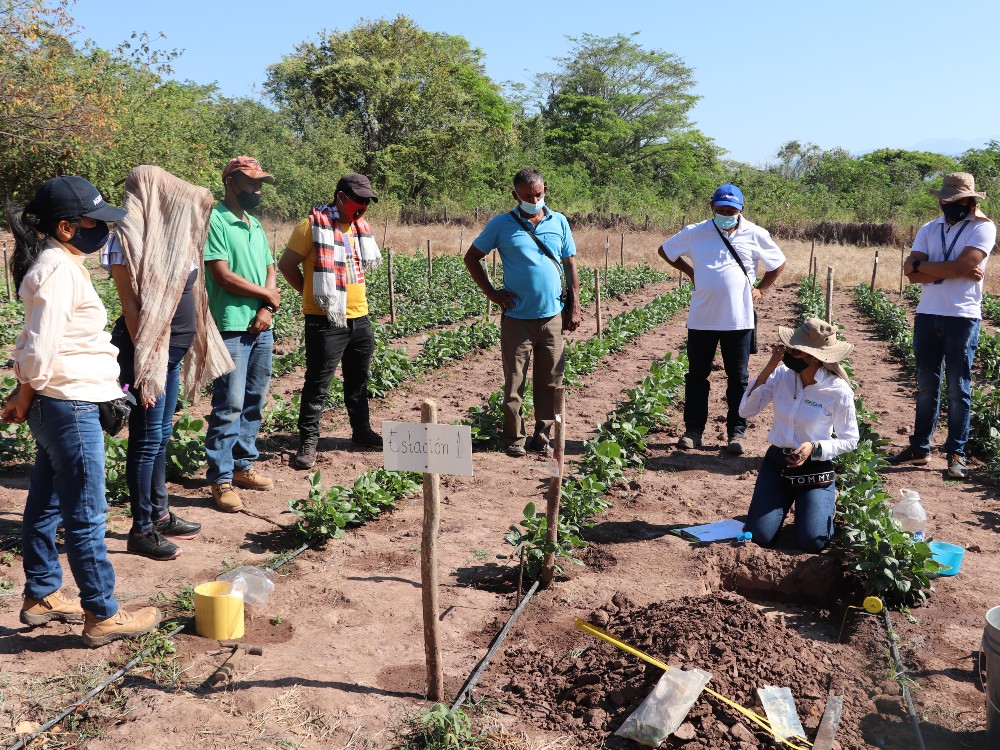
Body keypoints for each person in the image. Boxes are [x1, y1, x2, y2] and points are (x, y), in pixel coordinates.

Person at [3, 175, 161, 646]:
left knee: (47, 500)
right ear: (68, 228)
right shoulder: (57, 270)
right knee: (87, 513)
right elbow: (38, 349)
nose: (104, 230)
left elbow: (38, 350)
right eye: (95, 221)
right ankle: (102, 613)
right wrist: (25, 392)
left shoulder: (61, 263)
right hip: (70, 406)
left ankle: (43, 595)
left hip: (63, 403)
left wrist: (25, 394)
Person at [105, 165, 234, 559]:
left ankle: (159, 515)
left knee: (161, 436)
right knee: (145, 442)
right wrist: (146, 367)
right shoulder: (125, 241)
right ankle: (141, 528)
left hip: (174, 352)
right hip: (150, 354)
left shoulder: (174, 237)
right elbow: (132, 309)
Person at [658, 184, 786, 455]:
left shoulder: (756, 234)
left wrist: (761, 288)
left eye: (731, 211)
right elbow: (666, 251)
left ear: (741, 210)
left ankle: (736, 433)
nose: (726, 214)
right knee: (696, 376)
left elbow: (778, 263)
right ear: (711, 208)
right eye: (721, 210)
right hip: (702, 319)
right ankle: (693, 431)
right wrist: (691, 273)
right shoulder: (695, 232)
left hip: (738, 320)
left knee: (738, 378)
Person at [463, 167, 581, 457]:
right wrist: (492, 293)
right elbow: (472, 257)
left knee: (552, 382)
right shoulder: (502, 224)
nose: (534, 199)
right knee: (515, 382)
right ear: (515, 194)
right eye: (527, 195)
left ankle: (543, 436)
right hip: (517, 318)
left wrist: (575, 304)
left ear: (545, 191)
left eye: (538, 194)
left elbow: (570, 264)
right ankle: (514, 439)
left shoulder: (559, 221)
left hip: (553, 315)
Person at [890, 172, 997, 480]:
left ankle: (956, 452)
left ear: (970, 201)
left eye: (955, 200)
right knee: (925, 386)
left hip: (962, 316)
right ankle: (921, 448)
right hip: (927, 314)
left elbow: (962, 264)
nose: (947, 205)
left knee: (958, 388)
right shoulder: (928, 228)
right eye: (945, 199)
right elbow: (912, 274)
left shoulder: (983, 227)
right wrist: (949, 271)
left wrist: (928, 268)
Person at [277, 173, 383, 470]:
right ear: (340, 196)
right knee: (318, 383)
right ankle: (308, 441)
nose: (363, 205)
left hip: (359, 317)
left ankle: (361, 431)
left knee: (358, 379)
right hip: (324, 320)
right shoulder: (312, 225)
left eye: (367, 201)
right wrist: (313, 295)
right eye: (358, 199)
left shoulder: (360, 228)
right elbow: (286, 265)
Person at [739, 318, 859, 552]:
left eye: (793, 350)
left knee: (813, 542)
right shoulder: (782, 375)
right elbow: (746, 410)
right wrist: (768, 368)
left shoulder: (837, 390)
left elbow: (850, 439)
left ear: (813, 357)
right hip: (777, 466)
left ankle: (817, 508)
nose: (786, 353)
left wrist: (814, 447)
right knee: (759, 536)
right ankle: (782, 511)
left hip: (815, 472)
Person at [204, 157, 280, 511]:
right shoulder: (215, 220)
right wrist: (264, 296)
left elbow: (270, 268)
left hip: (262, 325)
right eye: (251, 183)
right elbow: (221, 274)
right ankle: (220, 478)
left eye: (260, 182)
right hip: (230, 324)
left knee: (254, 400)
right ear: (231, 181)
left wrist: (267, 307)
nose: (258, 189)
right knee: (229, 403)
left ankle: (242, 466)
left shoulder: (255, 225)